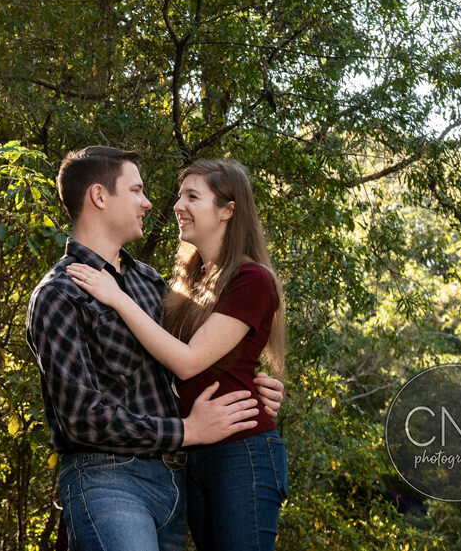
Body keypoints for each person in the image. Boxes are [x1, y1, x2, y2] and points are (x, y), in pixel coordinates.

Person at [27, 147, 284, 551]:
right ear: (99, 196)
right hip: (107, 477)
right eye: (136, 190)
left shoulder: (149, 283)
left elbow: (190, 357)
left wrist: (250, 383)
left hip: (176, 479)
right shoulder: (59, 294)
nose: (151, 202)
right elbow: (81, 419)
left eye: (190, 196)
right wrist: (187, 430)